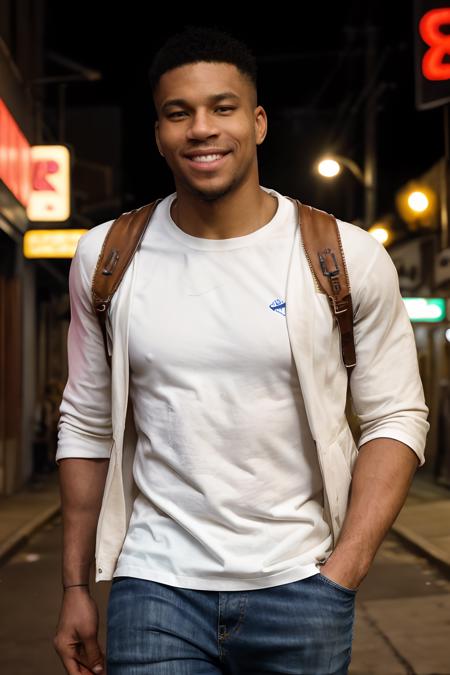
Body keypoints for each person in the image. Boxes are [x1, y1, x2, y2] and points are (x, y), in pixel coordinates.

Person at [53, 24, 430, 675]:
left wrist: (344, 570)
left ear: (257, 123)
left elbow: (397, 415)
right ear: (159, 133)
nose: (201, 128)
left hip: (302, 584)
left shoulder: (344, 255)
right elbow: (86, 423)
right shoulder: (106, 257)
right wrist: (76, 586)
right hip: (154, 586)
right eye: (179, 113)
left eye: (222, 108)